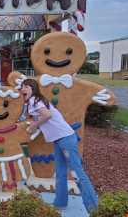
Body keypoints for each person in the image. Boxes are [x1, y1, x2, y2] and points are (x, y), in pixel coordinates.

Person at [21, 78, 98, 213]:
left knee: (77, 173)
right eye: (22, 87)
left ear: (33, 89)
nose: (23, 89)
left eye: (26, 86)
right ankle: (60, 202)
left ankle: (94, 208)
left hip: (66, 140)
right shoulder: (33, 103)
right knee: (61, 172)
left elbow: (47, 115)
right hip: (59, 140)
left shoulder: (35, 100)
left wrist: (34, 125)